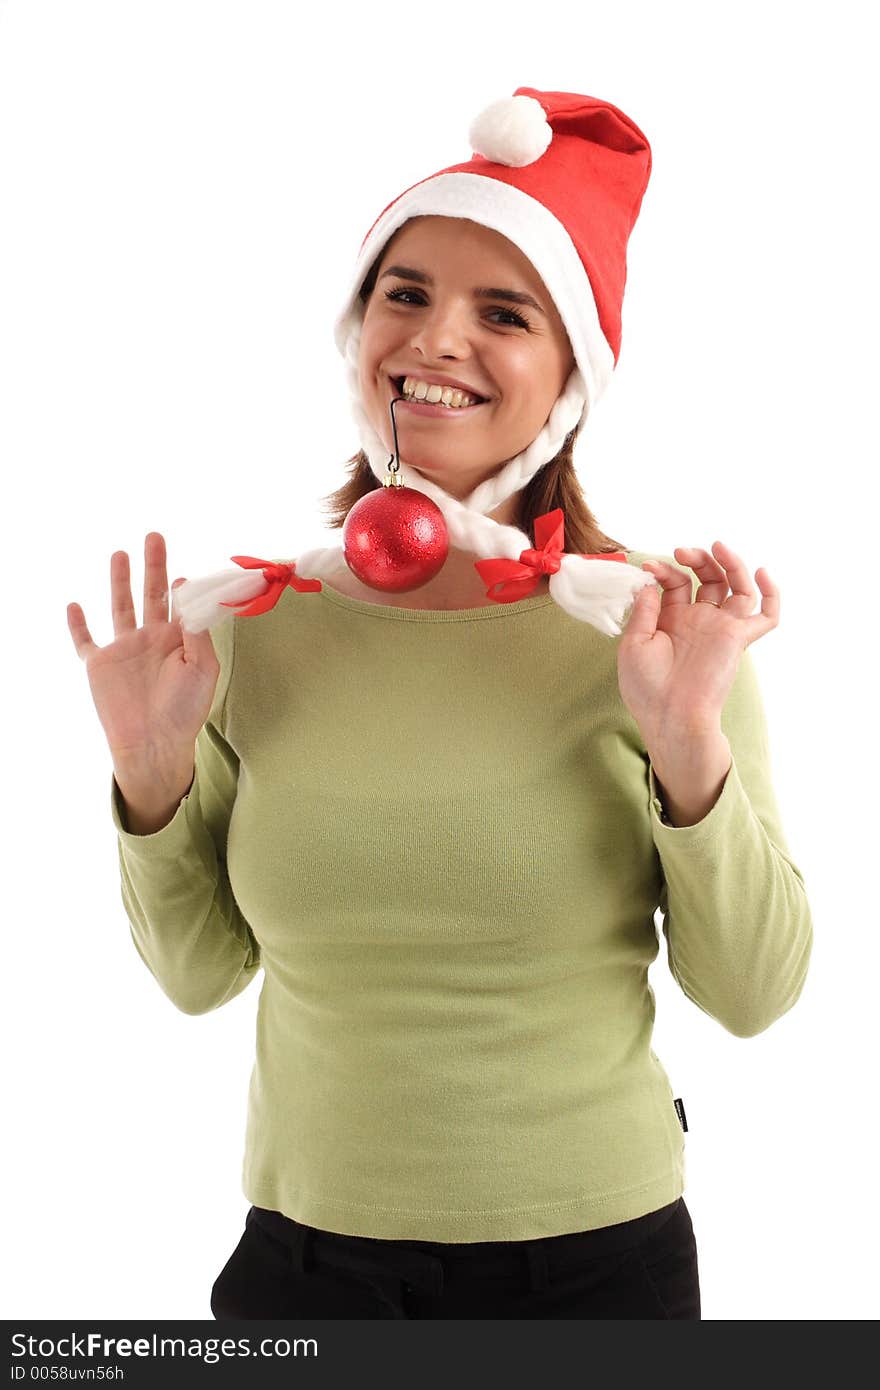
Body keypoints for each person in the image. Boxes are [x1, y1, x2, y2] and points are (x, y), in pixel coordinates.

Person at [66, 87, 813, 1320]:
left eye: (503, 313)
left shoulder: (657, 630)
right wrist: (149, 780)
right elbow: (201, 978)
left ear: (574, 372)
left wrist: (688, 743)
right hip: (302, 1265)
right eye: (403, 294)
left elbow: (753, 994)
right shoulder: (248, 627)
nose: (434, 339)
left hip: (594, 1266)